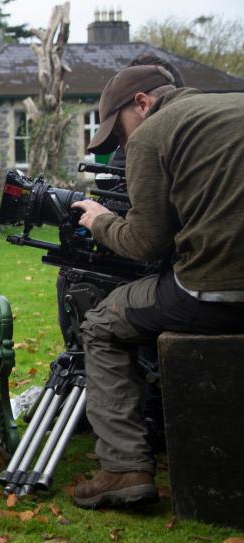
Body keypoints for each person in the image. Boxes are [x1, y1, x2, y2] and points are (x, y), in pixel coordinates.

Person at [70, 65, 244, 509]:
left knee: (100, 324)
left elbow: (146, 242)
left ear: (142, 103)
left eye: (119, 133)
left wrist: (99, 220)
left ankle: (123, 468)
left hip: (216, 291)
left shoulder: (152, 134)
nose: (122, 146)